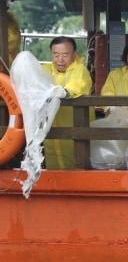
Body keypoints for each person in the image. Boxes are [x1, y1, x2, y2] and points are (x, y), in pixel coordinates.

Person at [42, 36, 92, 169]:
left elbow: (77, 86)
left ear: (74, 54)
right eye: (56, 55)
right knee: (53, 166)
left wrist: (65, 92)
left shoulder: (80, 70)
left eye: (65, 55)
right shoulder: (46, 70)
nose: (60, 59)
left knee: (75, 164)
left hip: (74, 127)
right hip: (51, 130)